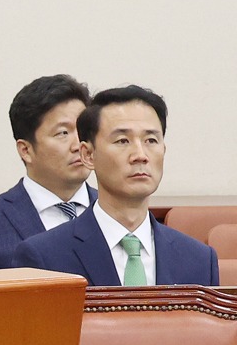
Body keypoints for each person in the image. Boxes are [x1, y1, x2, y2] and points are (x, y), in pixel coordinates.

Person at [13, 86, 218, 285]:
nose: (140, 155)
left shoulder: (199, 259)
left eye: (150, 140)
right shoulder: (44, 257)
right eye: (122, 141)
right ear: (88, 154)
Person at [0, 74, 96, 272]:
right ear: (26, 150)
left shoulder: (114, 210)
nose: (79, 145)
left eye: (83, 130)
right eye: (63, 133)